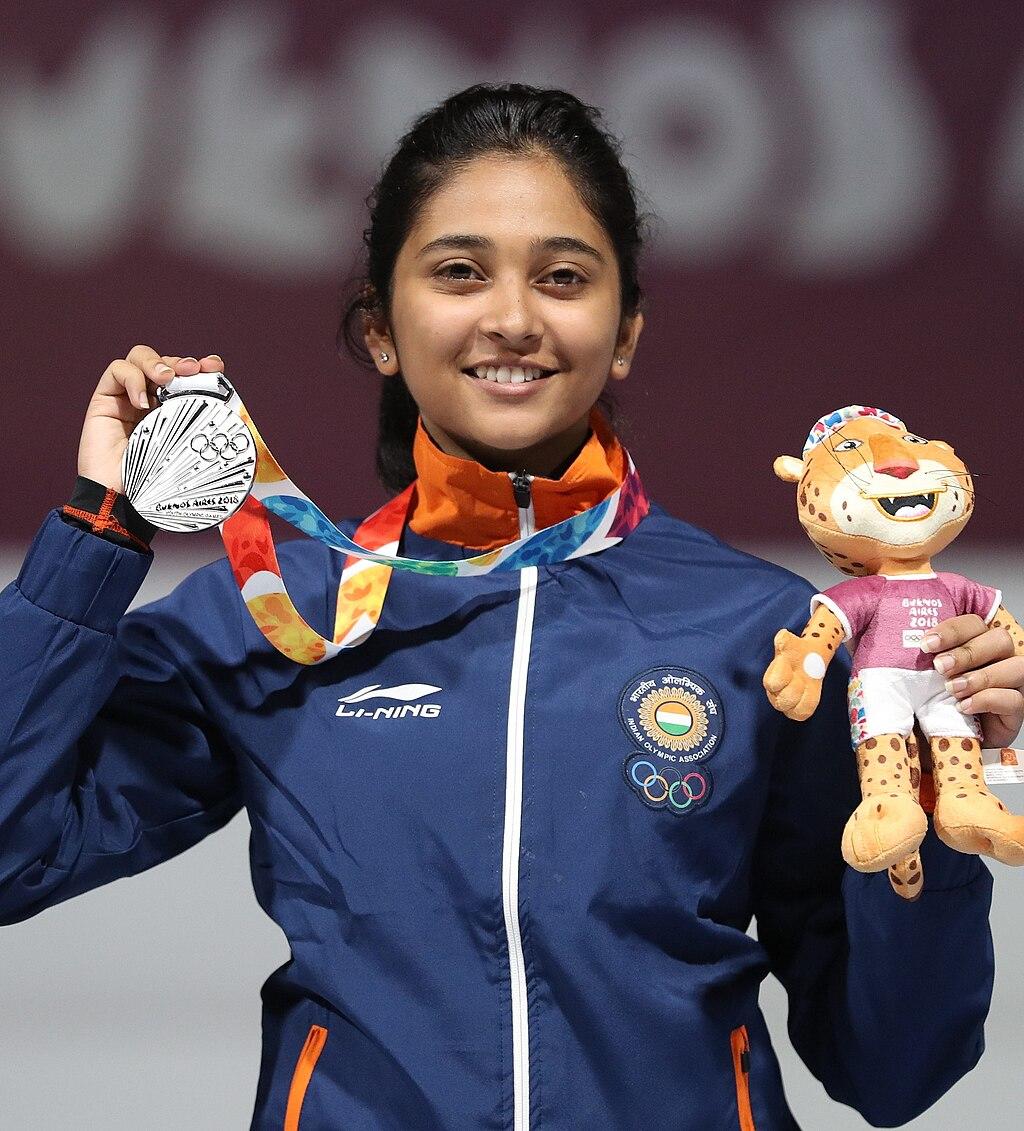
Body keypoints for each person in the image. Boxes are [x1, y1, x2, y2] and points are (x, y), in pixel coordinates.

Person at [1, 83, 1021, 1130]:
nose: (513, 318)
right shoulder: (276, 615)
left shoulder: (759, 633)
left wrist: (941, 796)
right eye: (458, 271)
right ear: (381, 330)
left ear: (622, 330)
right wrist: (97, 535)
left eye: (563, 277)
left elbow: (896, 1067)